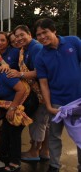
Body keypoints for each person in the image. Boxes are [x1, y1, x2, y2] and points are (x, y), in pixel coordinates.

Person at [34, 18, 81, 172]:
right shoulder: (40, 56)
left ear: (54, 30)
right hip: (57, 104)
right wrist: (48, 106)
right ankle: (54, 165)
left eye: (44, 32)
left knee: (80, 136)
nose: (41, 37)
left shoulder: (73, 42)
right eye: (38, 34)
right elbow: (44, 84)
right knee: (54, 136)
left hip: (78, 101)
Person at [0, 51, 34, 171]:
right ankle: (4, 154)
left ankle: (15, 162)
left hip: (25, 103)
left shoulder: (3, 73)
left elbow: (21, 90)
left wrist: (13, 108)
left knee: (14, 131)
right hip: (9, 105)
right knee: (5, 129)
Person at [7, 25, 49, 162]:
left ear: (29, 34)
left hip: (41, 93)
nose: (19, 38)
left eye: (21, 35)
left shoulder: (36, 48)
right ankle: (44, 151)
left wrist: (20, 74)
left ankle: (34, 152)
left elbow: (41, 71)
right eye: (16, 36)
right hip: (37, 92)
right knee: (43, 123)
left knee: (38, 122)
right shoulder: (24, 49)